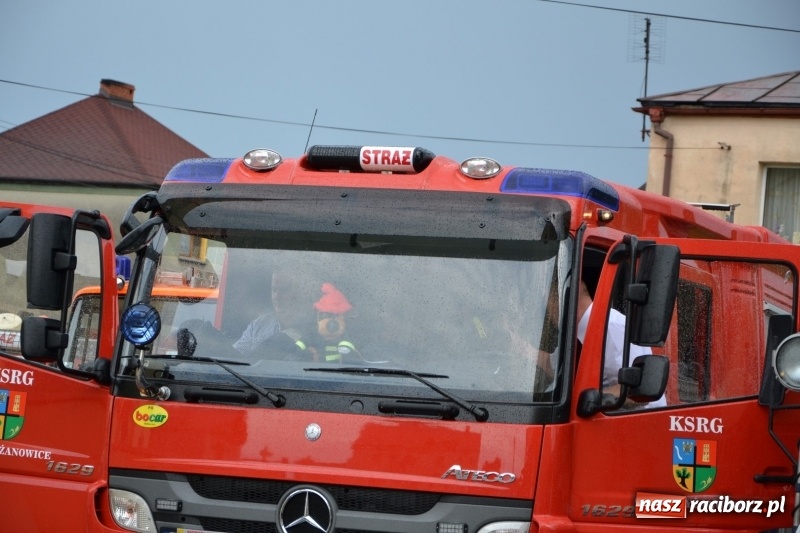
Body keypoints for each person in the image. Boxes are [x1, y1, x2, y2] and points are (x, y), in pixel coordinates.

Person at [576, 280, 666, 408]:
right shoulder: (579, 331)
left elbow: (636, 390)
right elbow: (550, 364)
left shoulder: (610, 326)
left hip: (638, 421)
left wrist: (586, 399)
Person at [233, 269, 319, 359]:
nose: (277, 296)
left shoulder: (314, 329)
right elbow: (235, 357)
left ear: (299, 293)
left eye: (284, 290)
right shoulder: (258, 325)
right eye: (274, 290)